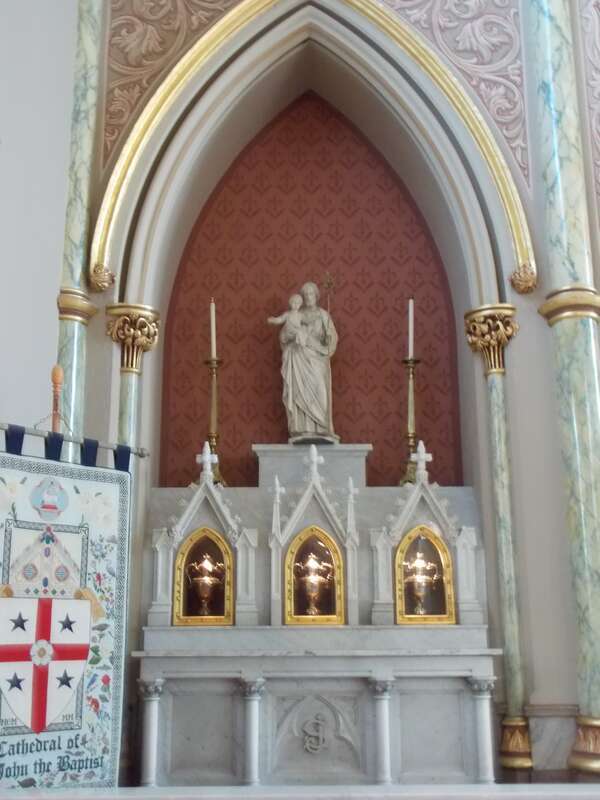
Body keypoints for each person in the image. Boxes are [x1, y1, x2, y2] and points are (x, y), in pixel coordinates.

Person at [269, 281, 338, 442]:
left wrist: (328, 339)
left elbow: (331, 340)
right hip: (298, 358)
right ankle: (301, 428)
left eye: (311, 294)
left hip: (317, 361)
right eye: (305, 294)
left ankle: (321, 427)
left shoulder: (323, 315)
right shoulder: (295, 314)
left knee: (319, 390)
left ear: (317, 296)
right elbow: (283, 337)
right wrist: (290, 336)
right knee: (299, 392)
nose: (308, 297)